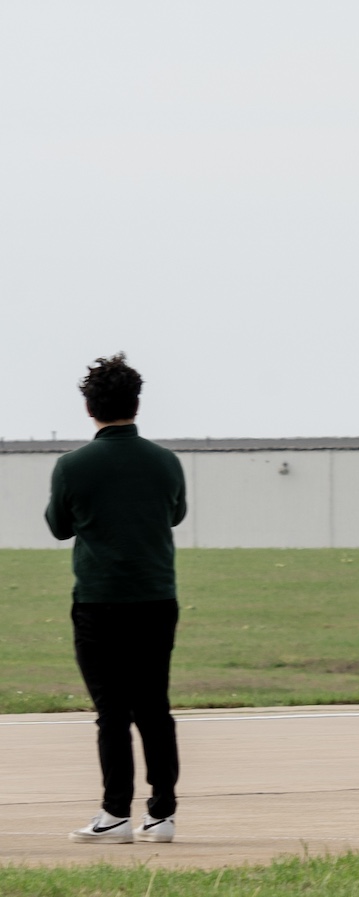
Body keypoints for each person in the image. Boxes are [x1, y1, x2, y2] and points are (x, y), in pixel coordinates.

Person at [46, 354, 189, 845]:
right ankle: (163, 814)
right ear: (137, 403)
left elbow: (59, 527)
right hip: (155, 598)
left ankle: (114, 814)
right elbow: (175, 515)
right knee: (154, 706)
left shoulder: (72, 467)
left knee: (112, 711)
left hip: (98, 601)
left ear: (90, 407)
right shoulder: (166, 462)